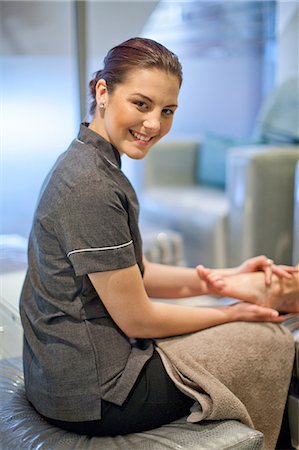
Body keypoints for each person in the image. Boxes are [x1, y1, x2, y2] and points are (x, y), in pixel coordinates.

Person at [19, 37, 299, 438]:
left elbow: (135, 274)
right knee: (267, 338)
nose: (154, 124)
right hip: (97, 394)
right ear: (103, 92)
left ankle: (267, 288)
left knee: (248, 317)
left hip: (63, 377)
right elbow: (138, 317)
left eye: (167, 111)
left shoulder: (87, 160)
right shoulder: (90, 186)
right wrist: (230, 312)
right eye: (141, 104)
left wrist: (222, 277)